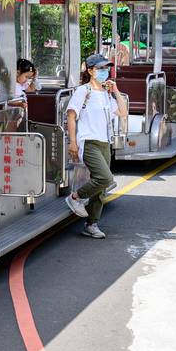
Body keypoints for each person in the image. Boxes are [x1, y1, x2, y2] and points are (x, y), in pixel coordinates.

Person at [64, 54, 128, 239]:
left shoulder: (107, 94)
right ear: (90, 70)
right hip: (88, 141)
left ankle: (91, 224)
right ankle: (75, 198)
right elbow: (71, 115)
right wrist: (73, 142)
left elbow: (122, 111)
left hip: (104, 142)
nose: (104, 72)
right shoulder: (83, 91)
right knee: (105, 178)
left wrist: (115, 90)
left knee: (100, 188)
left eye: (106, 69)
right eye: (100, 69)